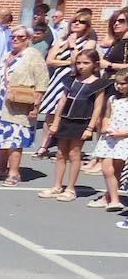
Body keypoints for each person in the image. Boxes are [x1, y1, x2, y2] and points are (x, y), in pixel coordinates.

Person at [0, 26, 48, 186]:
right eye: (13, 37)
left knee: (14, 138)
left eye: (20, 37)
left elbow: (42, 81)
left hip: (19, 104)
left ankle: (14, 173)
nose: (15, 39)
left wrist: (36, 106)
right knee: (0, 136)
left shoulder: (33, 55)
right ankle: (2, 169)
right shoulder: (7, 55)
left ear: (28, 39)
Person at [39, 50, 107, 202]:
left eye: (85, 63)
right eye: (78, 63)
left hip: (82, 121)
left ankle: (70, 189)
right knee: (60, 153)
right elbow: (62, 101)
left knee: (74, 154)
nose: (81, 66)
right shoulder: (71, 79)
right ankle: (57, 186)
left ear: (95, 65)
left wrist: (90, 128)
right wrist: (55, 122)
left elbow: (97, 107)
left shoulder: (98, 83)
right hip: (65, 120)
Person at [34, 12, 99, 159]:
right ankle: (44, 145)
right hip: (57, 79)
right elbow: (49, 60)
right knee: (50, 113)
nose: (76, 24)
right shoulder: (61, 40)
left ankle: (63, 147)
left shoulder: (88, 42)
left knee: (65, 112)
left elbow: (80, 60)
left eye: (81, 22)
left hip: (75, 80)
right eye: (74, 21)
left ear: (87, 26)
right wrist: (68, 62)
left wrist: (72, 46)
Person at [91, 73, 128, 214]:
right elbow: (106, 116)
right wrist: (106, 126)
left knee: (117, 170)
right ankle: (113, 199)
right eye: (117, 83)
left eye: (123, 83)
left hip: (123, 138)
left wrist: (122, 134)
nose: (119, 86)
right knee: (107, 169)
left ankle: (111, 197)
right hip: (110, 139)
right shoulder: (112, 99)